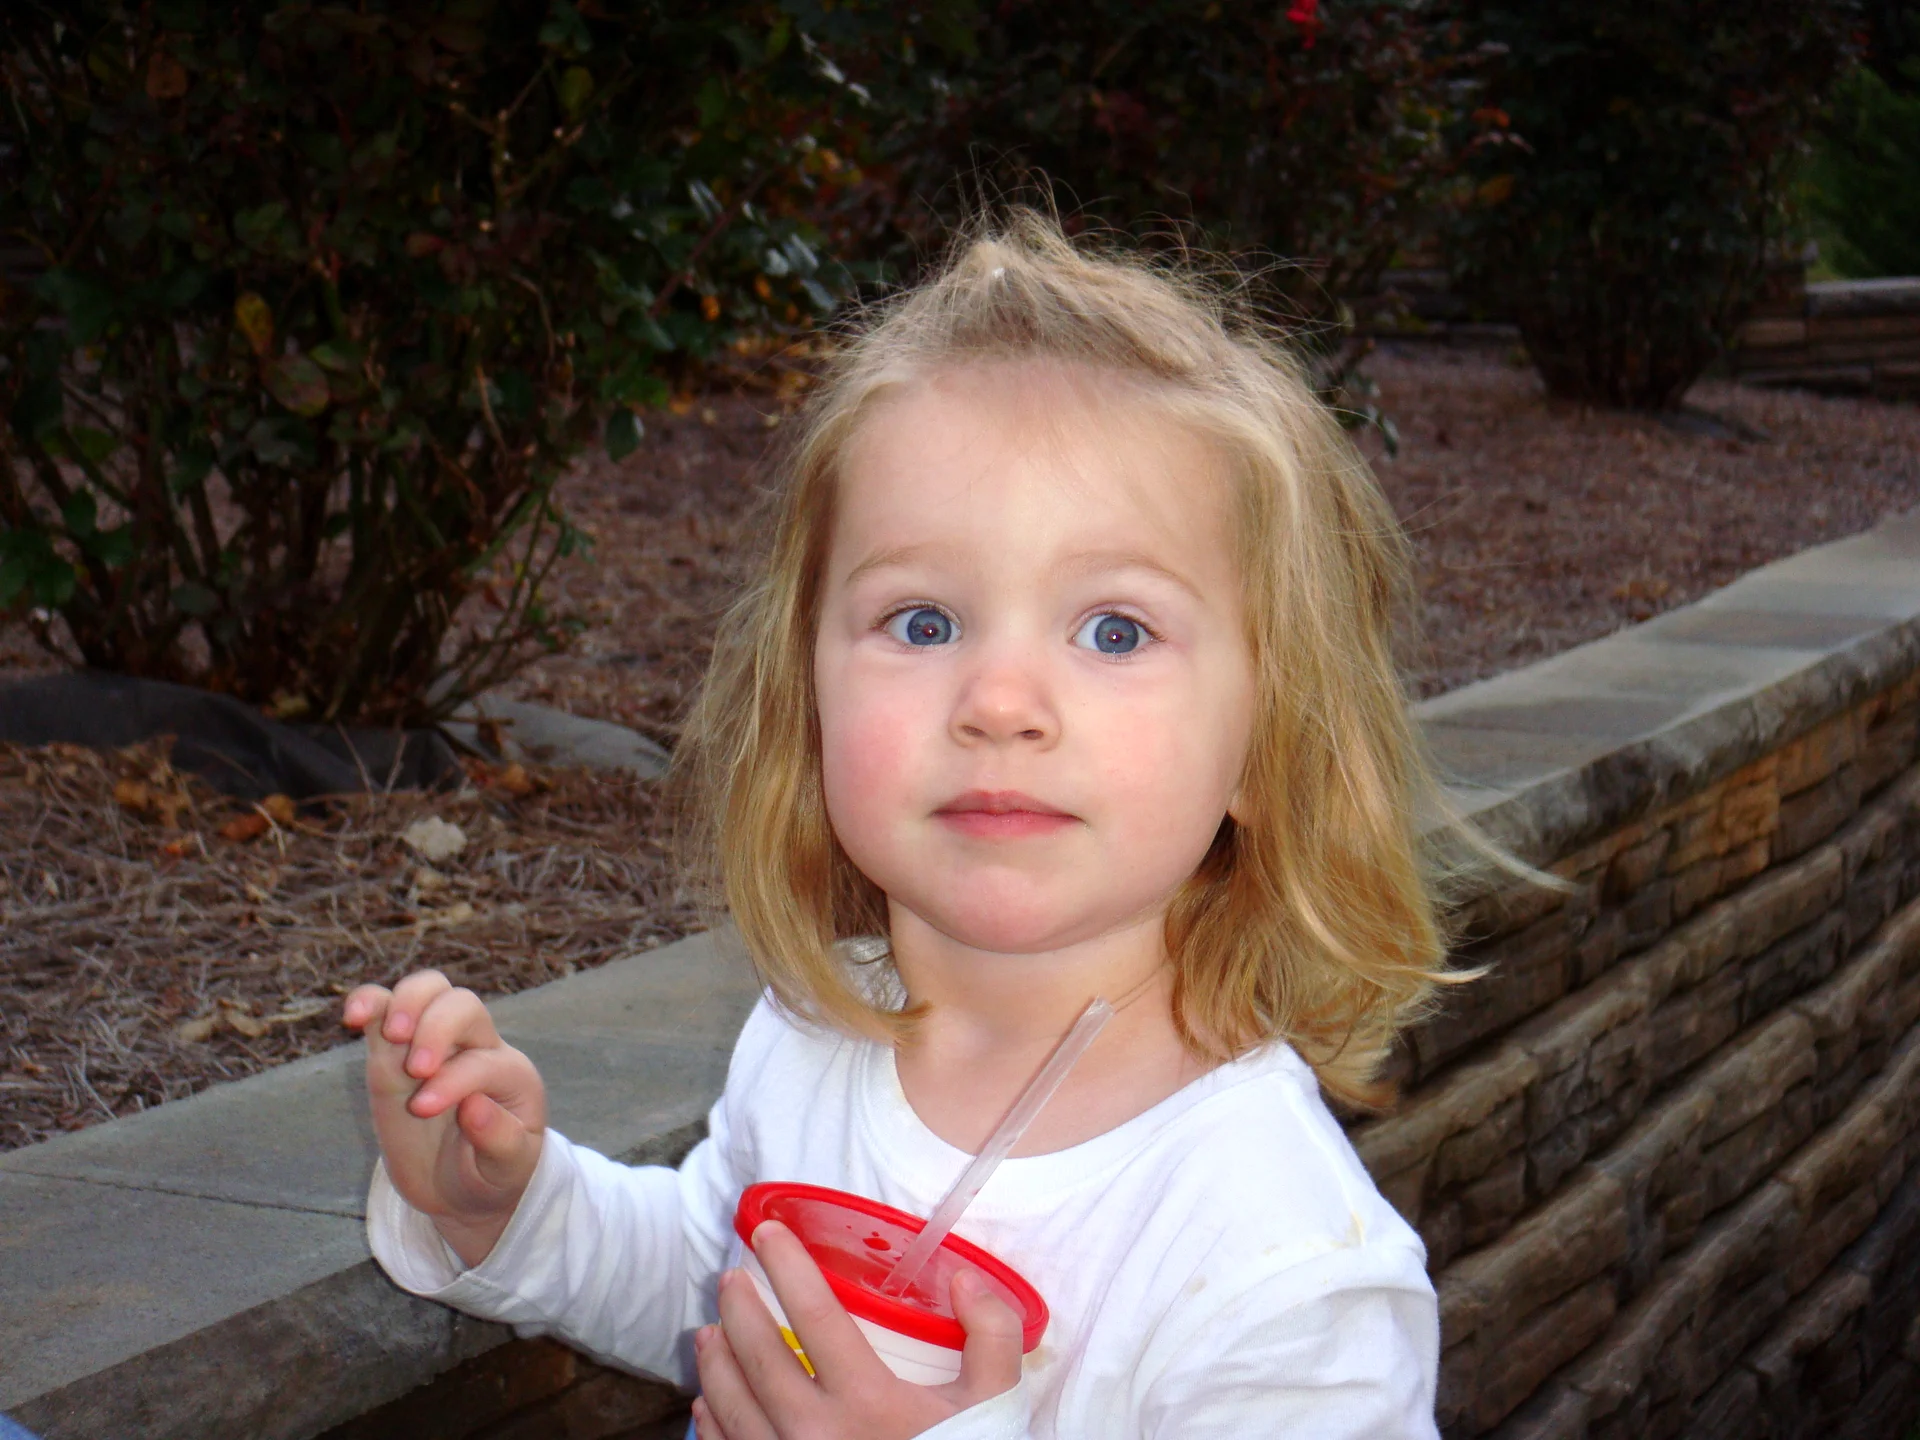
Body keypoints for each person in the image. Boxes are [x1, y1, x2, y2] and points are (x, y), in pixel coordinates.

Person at [347, 212, 1510, 1439]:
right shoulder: (822, 1030)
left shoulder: (1282, 1268)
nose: (999, 702)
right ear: (805, 692)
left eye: (1115, 631)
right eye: (924, 623)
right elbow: (714, 1280)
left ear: (1270, 743)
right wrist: (508, 1209)